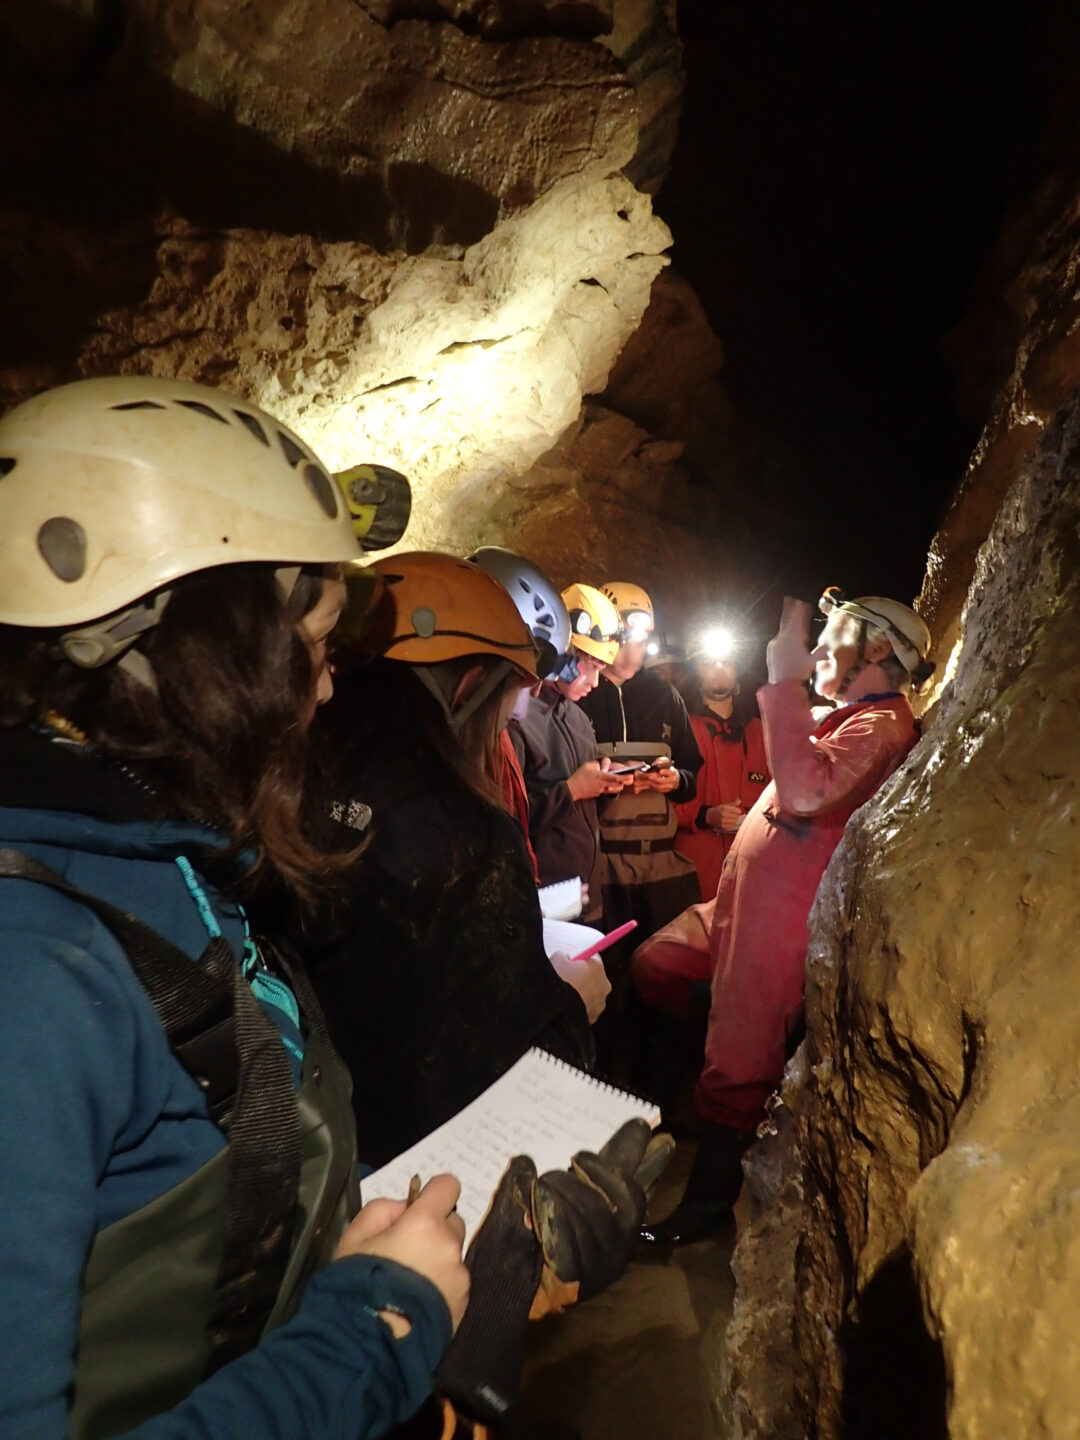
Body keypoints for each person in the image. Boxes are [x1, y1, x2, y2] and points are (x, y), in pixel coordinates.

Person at [0, 377, 470, 1439]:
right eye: (309, 647)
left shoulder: (159, 864)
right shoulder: (27, 972)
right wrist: (372, 1331)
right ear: (208, 661)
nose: (327, 690)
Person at [638, 589, 934, 1244]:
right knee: (656, 966)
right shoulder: (842, 717)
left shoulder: (881, 727)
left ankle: (709, 1205)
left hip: (782, 923)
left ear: (881, 650)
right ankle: (724, 1090)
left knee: (740, 1053)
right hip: (742, 906)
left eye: (838, 637)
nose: (822, 650)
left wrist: (781, 680)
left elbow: (804, 791)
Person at [306, 552, 610, 1169]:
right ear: (471, 683)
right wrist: (571, 1005)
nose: (514, 714)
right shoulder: (461, 831)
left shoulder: (289, 774)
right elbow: (499, 1065)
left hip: (320, 1141)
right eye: (510, 693)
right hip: (417, 1170)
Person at [576, 581, 703, 941]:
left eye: (642, 641)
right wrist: (607, 785)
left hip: (659, 865)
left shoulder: (663, 695)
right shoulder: (581, 694)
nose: (634, 652)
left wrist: (675, 779)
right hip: (602, 865)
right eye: (625, 639)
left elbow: (691, 769)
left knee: (665, 969)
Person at [510, 580, 628, 926]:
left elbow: (582, 814)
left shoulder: (577, 718)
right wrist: (571, 790)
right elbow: (505, 820)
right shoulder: (516, 718)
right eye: (591, 665)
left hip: (585, 899)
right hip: (541, 904)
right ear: (563, 654)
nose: (595, 682)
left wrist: (604, 788)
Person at [672, 627, 771, 904]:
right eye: (708, 663)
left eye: (727, 662)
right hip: (694, 867)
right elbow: (659, 802)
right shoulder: (681, 728)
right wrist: (705, 815)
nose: (719, 669)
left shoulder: (759, 732)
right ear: (695, 672)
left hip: (750, 865)